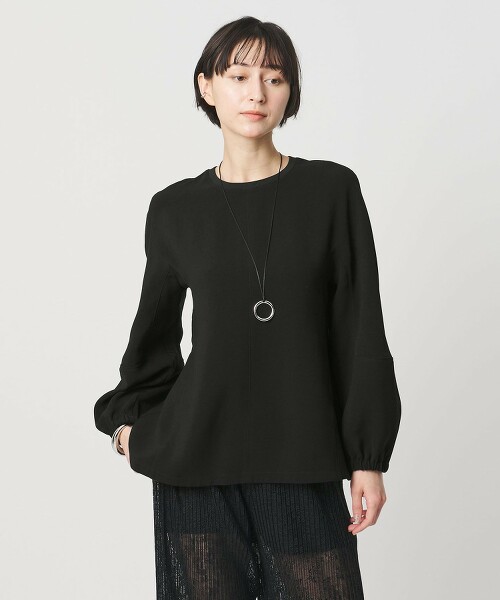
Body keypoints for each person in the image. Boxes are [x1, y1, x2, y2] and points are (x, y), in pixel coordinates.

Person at [94, 16, 402, 600]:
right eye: (238, 76)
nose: (256, 92)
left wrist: (368, 456)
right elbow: (151, 340)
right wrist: (129, 431)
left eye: (274, 77)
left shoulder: (331, 191)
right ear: (207, 86)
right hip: (195, 470)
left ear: (290, 91)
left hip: (302, 460)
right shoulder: (174, 209)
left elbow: (360, 329)